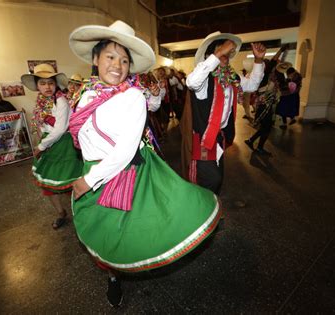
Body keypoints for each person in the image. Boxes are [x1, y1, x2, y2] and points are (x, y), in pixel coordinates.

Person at [68, 20, 220, 307]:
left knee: (130, 230)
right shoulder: (86, 94)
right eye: (110, 57)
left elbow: (125, 149)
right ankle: (113, 277)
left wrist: (89, 179)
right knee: (102, 232)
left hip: (120, 173)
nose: (117, 65)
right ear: (95, 59)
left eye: (124, 60)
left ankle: (120, 270)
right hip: (94, 170)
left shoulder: (133, 97)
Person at [182, 31, 265, 195]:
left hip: (220, 137)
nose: (226, 53)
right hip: (204, 138)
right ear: (211, 53)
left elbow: (252, 85)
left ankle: (211, 206)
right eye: (222, 49)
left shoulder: (232, 76)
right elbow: (191, 82)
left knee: (217, 176)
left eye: (227, 50)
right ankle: (203, 210)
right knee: (211, 179)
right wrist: (218, 53)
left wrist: (259, 60)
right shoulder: (204, 77)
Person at [20, 64, 83, 229]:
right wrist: (42, 139)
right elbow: (41, 124)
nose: (47, 87)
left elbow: (60, 129)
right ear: (37, 86)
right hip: (49, 143)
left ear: (55, 84)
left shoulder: (60, 101)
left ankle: (81, 215)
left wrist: (41, 146)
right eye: (42, 83)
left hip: (63, 145)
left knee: (69, 182)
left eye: (50, 83)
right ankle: (61, 213)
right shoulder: (42, 101)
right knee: (47, 185)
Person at [244, 64, 287, 155]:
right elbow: (262, 91)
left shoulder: (271, 78)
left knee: (265, 127)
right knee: (266, 128)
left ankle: (251, 141)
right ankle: (259, 147)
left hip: (266, 106)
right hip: (265, 106)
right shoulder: (270, 79)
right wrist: (271, 90)